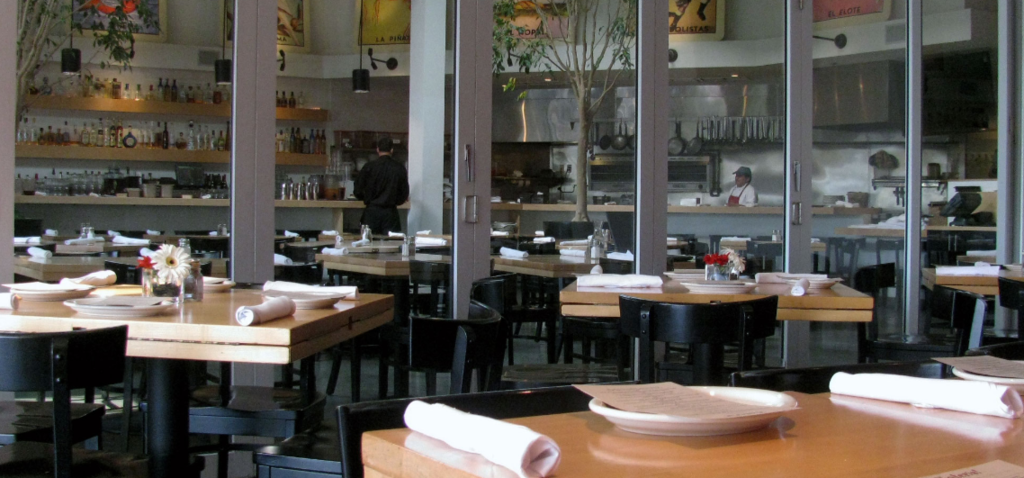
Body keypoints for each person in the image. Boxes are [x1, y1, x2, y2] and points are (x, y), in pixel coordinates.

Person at [354, 137, 409, 234]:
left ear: (377, 149)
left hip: (371, 212)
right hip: (390, 214)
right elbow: (404, 193)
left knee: (368, 241)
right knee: (391, 242)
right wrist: (396, 201)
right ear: (392, 150)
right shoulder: (399, 168)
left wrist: (366, 198)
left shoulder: (369, 167)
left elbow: (357, 190)